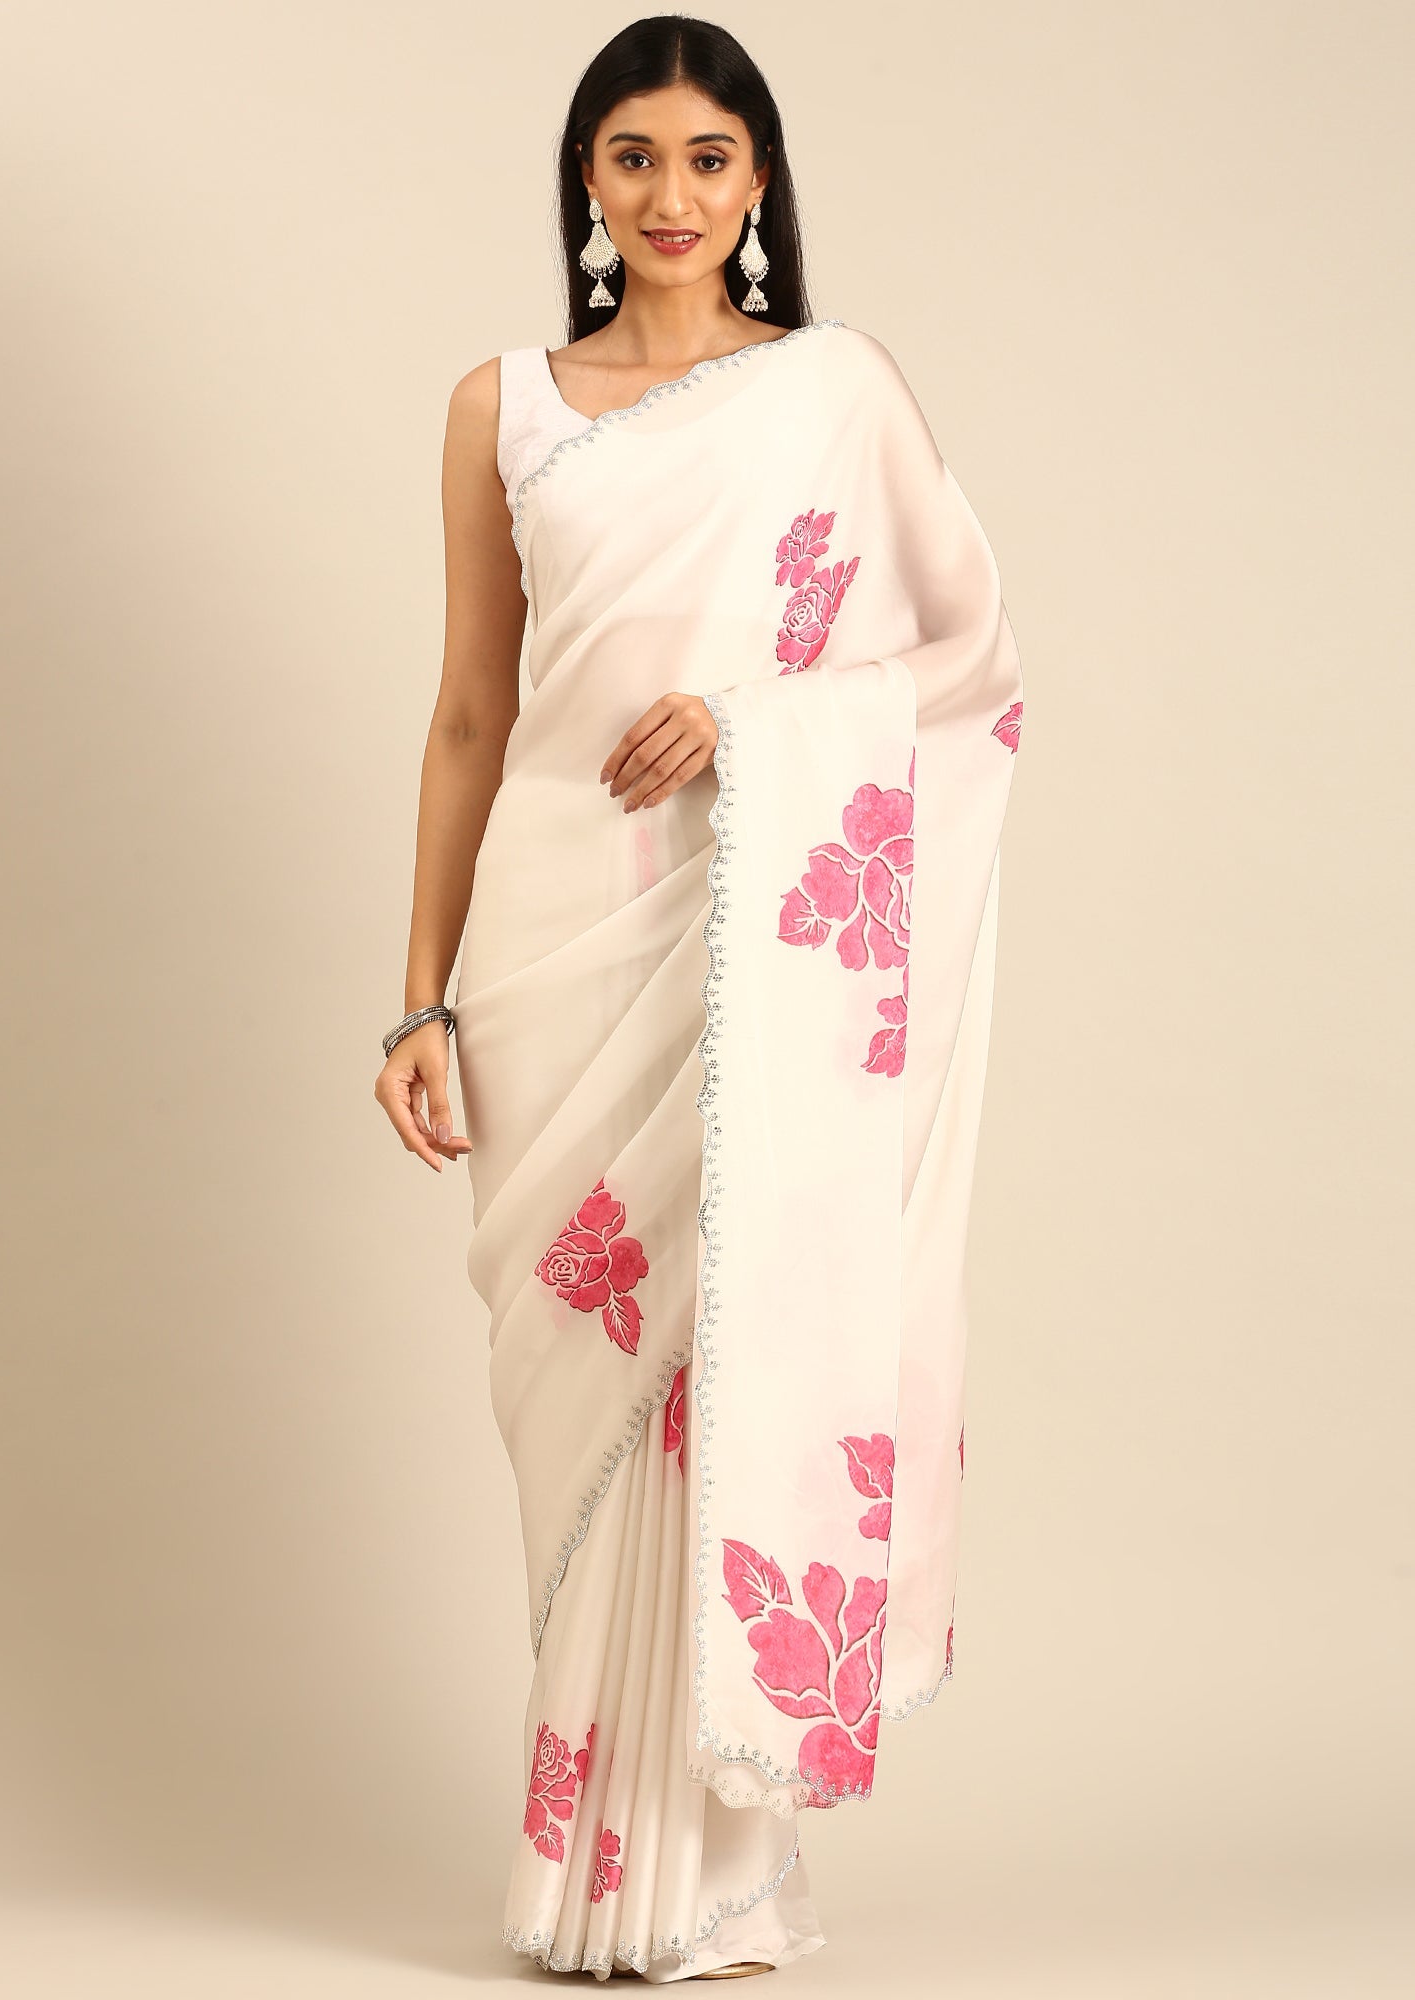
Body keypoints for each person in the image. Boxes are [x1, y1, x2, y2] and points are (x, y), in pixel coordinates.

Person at [373, 15, 1024, 1983]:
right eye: (635, 155)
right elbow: (472, 711)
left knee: (732, 1364)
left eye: (710, 158)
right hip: (560, 947)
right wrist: (416, 998)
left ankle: (714, 1876)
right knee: (585, 1409)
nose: (672, 195)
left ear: (759, 183)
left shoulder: (834, 391)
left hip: (753, 947)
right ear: (586, 177)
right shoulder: (505, 407)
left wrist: (755, 722)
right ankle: (594, 1864)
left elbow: (971, 661)